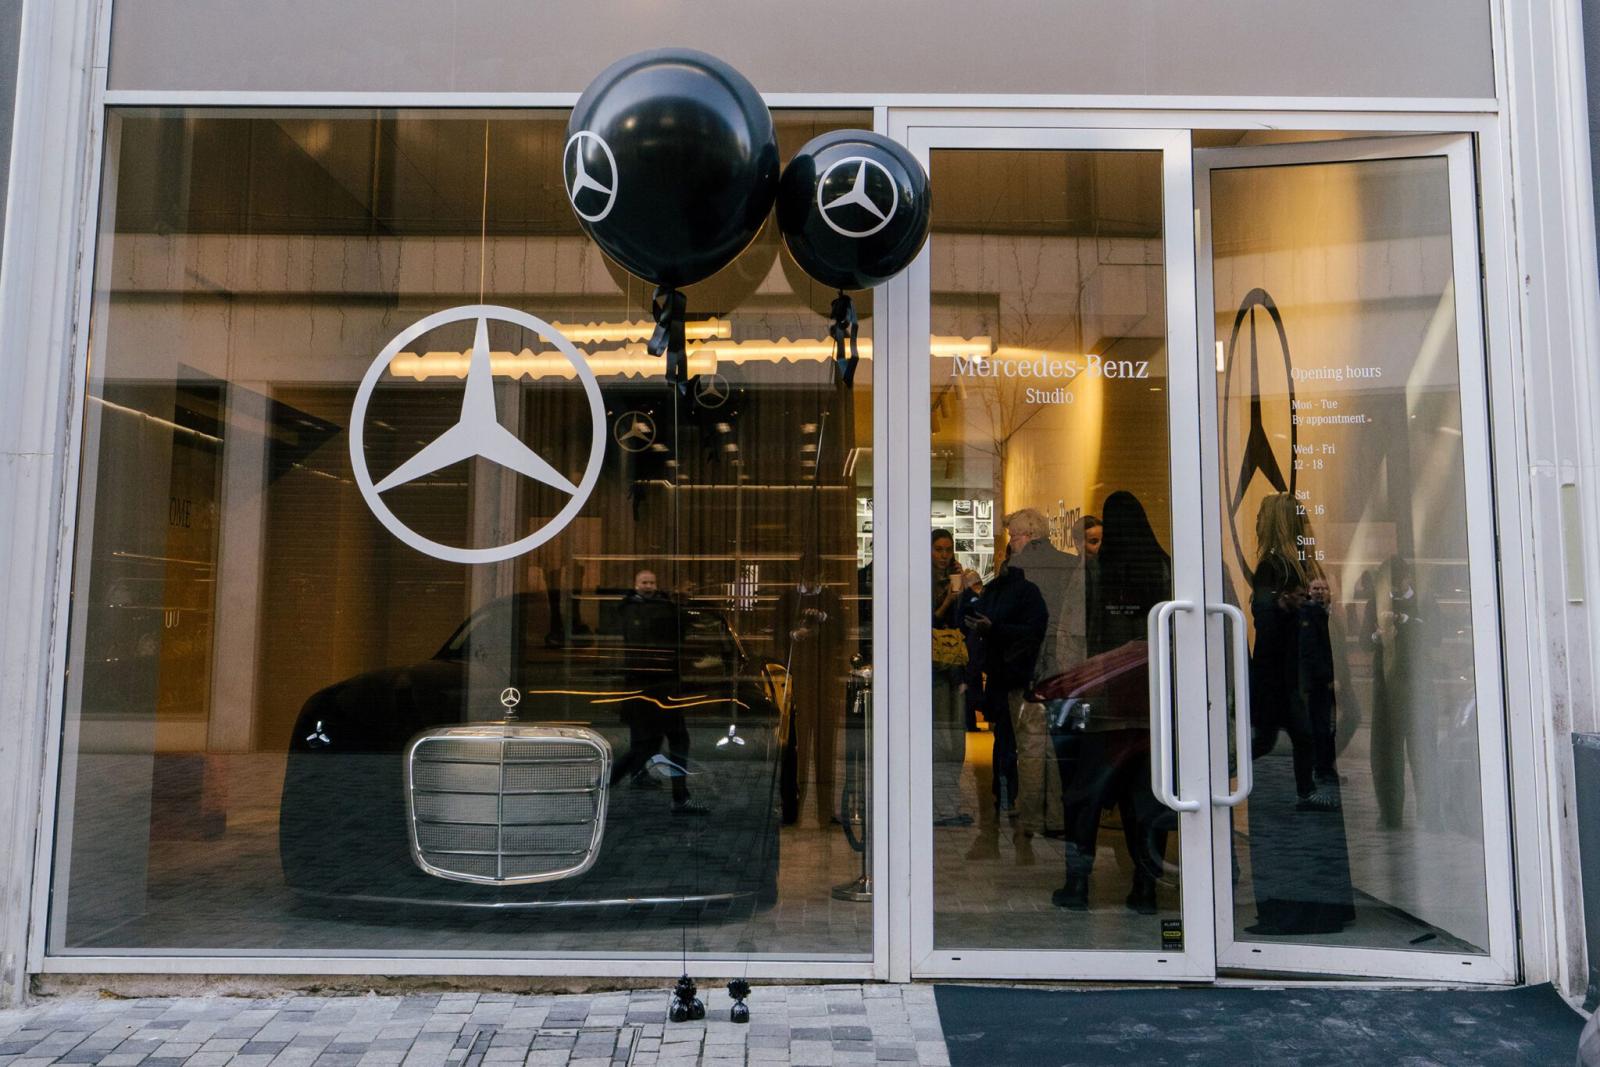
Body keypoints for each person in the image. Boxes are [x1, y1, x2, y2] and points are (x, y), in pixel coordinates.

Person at [1053, 491, 1171, 914]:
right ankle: (1145, 888)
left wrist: (1076, 687)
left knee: (1086, 797)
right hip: (1152, 708)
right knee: (1147, 802)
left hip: (1105, 708)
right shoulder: (1164, 567)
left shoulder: (1093, 571)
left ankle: (1078, 885)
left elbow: (1071, 636)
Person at [1244, 493, 1354, 935]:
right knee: (1310, 794)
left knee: (1278, 806)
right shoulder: (1311, 572)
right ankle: (1325, 906)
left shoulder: (1272, 569)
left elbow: (1268, 636)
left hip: (1281, 692)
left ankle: (1287, 910)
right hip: (1310, 693)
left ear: (1268, 523)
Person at [963, 526, 1047, 864]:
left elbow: (1030, 632)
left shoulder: (1017, 591)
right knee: (1008, 755)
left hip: (1015, 679)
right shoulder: (1012, 590)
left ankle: (1011, 833)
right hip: (1007, 678)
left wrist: (992, 629)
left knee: (1013, 756)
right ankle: (1011, 833)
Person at [1003, 508, 1083, 851]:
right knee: (1060, 746)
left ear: (1026, 535)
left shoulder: (1015, 569)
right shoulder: (1071, 565)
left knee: (1031, 745)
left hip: (1027, 668)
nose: (1011, 542)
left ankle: (1032, 815)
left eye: (1012, 536)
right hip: (1065, 668)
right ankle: (1060, 817)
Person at [611, 568, 708, 815]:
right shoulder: (644, 610)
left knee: (651, 744)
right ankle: (678, 797)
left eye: (652, 582)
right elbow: (675, 632)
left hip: (652, 688)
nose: (649, 586)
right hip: (656, 688)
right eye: (645, 582)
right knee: (664, 742)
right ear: (636, 584)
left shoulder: (643, 608)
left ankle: (608, 783)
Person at [1364, 555, 1440, 829]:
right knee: (1386, 753)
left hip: (1417, 685)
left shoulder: (1423, 601)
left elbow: (1436, 635)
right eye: (1389, 585)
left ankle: (1430, 814)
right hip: (1386, 688)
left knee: (1423, 750)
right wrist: (1378, 635)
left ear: (1406, 578)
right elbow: (1364, 641)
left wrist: (1405, 620)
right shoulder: (1375, 603)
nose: (1393, 590)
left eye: (1396, 584)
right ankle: (1390, 814)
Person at [774, 551, 847, 826]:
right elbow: (778, 635)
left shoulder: (830, 600)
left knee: (824, 746)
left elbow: (840, 635)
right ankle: (793, 808)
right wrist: (795, 634)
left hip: (823, 678)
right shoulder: (788, 600)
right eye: (808, 574)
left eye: (814, 574)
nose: (811, 579)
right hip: (798, 679)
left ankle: (824, 811)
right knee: (795, 745)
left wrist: (823, 619)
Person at [931, 529, 973, 827]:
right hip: (933, 667)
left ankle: (949, 801)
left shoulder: (956, 577)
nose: (944, 556)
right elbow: (925, 620)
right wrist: (948, 599)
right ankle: (938, 804)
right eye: (938, 549)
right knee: (938, 736)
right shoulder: (922, 580)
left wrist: (969, 591)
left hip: (956, 667)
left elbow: (967, 621)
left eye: (948, 550)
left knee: (956, 737)